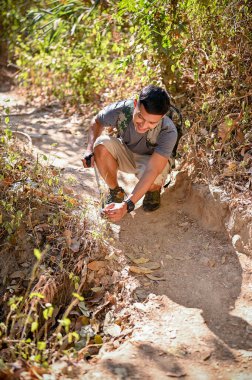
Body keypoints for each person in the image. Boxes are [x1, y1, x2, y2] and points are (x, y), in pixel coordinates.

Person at [82, 85, 178, 222]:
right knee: (101, 144)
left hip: (151, 162)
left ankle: (153, 190)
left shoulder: (168, 131)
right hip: (126, 152)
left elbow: (153, 169)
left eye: (151, 122)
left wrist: (127, 206)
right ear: (135, 104)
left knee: (154, 178)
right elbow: (97, 122)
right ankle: (116, 192)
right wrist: (89, 149)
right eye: (140, 117)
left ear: (162, 117)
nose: (143, 125)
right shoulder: (122, 110)